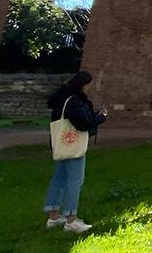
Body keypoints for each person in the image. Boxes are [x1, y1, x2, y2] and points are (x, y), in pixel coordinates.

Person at [44, 71, 107, 233]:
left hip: (61, 144)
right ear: (84, 85)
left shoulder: (61, 98)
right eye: (88, 86)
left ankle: (53, 216)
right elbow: (83, 123)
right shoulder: (74, 100)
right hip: (73, 145)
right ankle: (71, 220)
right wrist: (100, 118)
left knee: (59, 179)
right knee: (75, 180)